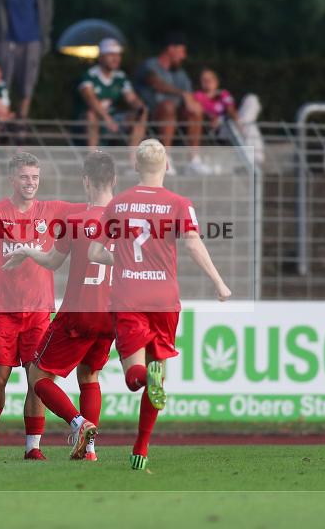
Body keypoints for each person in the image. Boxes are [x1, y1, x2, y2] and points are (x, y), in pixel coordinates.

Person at [88, 139, 231, 470]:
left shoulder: (119, 204)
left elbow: (95, 252)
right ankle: (141, 447)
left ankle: (143, 377)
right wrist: (218, 282)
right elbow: (193, 245)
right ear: (166, 165)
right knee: (159, 377)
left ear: (135, 166)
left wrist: (122, 261)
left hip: (129, 296)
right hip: (164, 299)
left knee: (133, 376)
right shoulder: (179, 203)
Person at [0, 152, 86, 460]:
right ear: (12, 179)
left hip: (40, 313)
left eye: (35, 177)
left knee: (37, 380)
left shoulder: (52, 210)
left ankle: (33, 447)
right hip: (4, 312)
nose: (31, 183)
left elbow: (92, 209)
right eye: (24, 177)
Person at [1, 151, 118, 461]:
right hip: (111, 315)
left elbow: (53, 261)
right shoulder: (127, 220)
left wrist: (27, 250)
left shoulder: (76, 220)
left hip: (78, 313)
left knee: (37, 376)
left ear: (86, 181)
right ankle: (89, 451)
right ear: (114, 180)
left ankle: (79, 424)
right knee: (89, 376)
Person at [133, 33, 208, 175]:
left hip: (176, 117)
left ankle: (194, 160)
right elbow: (156, 83)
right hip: (151, 114)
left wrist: (193, 103)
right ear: (171, 49)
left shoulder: (180, 73)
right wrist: (182, 93)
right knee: (168, 106)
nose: (184, 56)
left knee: (196, 110)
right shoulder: (150, 65)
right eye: (182, 51)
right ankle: (165, 158)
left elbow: (189, 96)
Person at [75, 39, 147, 148]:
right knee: (91, 115)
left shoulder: (120, 76)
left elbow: (131, 98)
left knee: (139, 115)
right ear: (101, 57)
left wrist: (141, 108)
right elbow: (90, 99)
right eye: (111, 55)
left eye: (118, 55)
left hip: (113, 118)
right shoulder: (89, 76)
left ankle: (133, 155)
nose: (116, 59)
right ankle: (92, 155)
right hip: (87, 121)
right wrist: (106, 118)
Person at [194, 68, 265, 166]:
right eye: (204, 79)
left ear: (216, 81)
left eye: (210, 79)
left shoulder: (223, 93)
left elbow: (231, 109)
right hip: (218, 128)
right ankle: (256, 158)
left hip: (230, 121)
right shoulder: (198, 96)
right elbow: (202, 114)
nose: (208, 82)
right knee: (249, 125)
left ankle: (252, 157)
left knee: (252, 99)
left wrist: (236, 120)